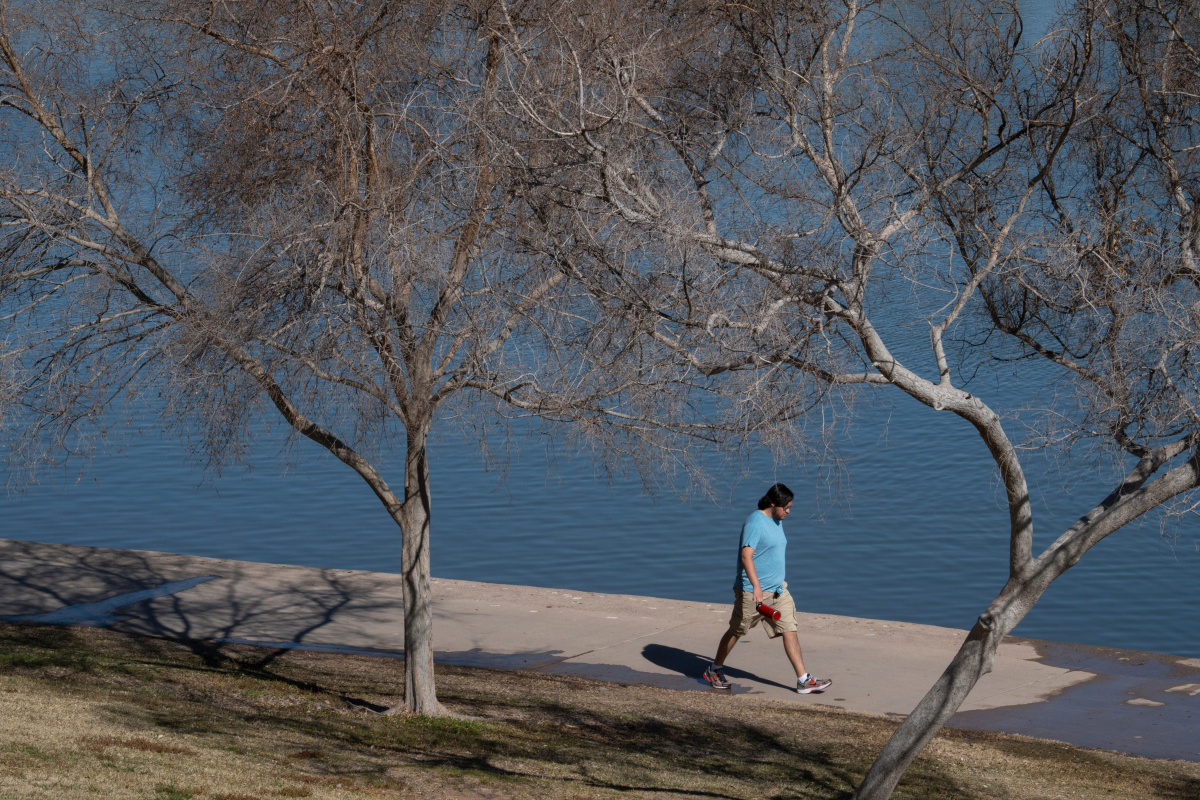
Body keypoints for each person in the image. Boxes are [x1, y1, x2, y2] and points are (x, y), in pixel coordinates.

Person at [703, 483, 833, 694]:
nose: (788, 511)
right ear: (773, 503)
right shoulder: (755, 522)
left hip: (778, 591)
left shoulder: (776, 519)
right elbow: (747, 556)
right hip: (752, 592)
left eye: (790, 507)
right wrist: (756, 586)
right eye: (786, 507)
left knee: (789, 628)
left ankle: (803, 680)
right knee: (738, 630)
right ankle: (714, 669)